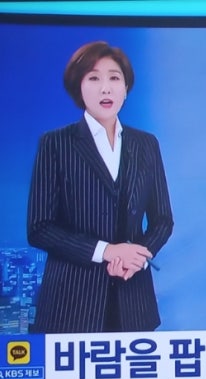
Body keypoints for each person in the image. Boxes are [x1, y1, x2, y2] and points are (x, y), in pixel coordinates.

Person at [27, 41, 174, 333]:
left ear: (126, 88)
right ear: (78, 88)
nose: (106, 89)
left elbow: (162, 220)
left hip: (134, 304)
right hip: (70, 305)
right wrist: (107, 251)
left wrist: (137, 258)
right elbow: (40, 228)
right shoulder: (55, 144)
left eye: (114, 78)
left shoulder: (146, 145)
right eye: (94, 78)